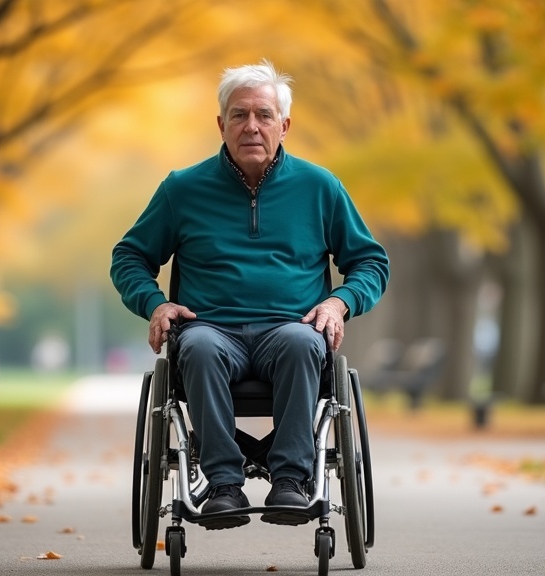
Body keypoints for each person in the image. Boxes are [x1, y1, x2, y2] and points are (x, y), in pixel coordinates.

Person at [110, 59, 389, 530]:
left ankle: (291, 482)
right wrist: (155, 304)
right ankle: (222, 484)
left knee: (305, 343)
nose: (252, 126)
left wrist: (338, 303)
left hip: (292, 328)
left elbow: (370, 262)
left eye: (263, 115)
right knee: (194, 346)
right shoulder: (183, 189)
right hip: (211, 328)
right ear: (221, 125)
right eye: (239, 115)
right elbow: (129, 257)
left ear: (285, 124)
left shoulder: (320, 188)